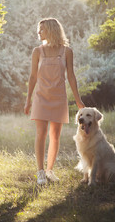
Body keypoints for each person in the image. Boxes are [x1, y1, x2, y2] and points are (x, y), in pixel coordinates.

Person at [24, 18, 85, 185]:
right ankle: (40, 172)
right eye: (39, 29)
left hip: (59, 97)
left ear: (51, 30)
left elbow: (71, 76)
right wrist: (28, 99)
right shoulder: (37, 51)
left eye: (41, 29)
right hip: (41, 97)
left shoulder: (67, 51)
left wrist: (78, 100)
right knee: (41, 134)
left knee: (55, 136)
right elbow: (32, 76)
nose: (38, 33)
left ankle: (49, 170)